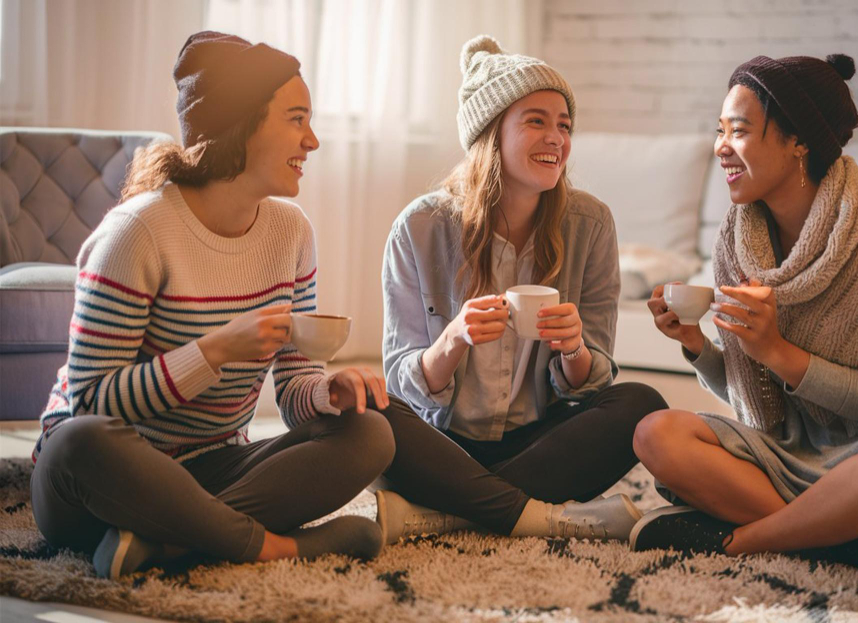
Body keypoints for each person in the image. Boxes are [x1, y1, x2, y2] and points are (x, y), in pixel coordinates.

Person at [30, 31, 396, 580]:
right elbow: (89, 403)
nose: (313, 140)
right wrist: (216, 350)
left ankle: (163, 542)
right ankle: (275, 547)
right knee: (78, 442)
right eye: (296, 119)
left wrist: (327, 392)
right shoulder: (138, 233)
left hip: (212, 468)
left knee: (370, 434)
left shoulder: (291, 233)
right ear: (241, 124)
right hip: (101, 482)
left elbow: (295, 391)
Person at [630, 54, 858, 574]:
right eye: (719, 130)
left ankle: (743, 540)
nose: (720, 147)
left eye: (739, 131)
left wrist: (778, 352)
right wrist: (699, 346)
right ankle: (841, 538)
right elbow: (756, 397)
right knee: (654, 434)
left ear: (799, 143)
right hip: (788, 448)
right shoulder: (738, 237)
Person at [374, 35, 667, 544]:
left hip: (538, 442)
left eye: (564, 125)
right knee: (368, 415)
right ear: (492, 132)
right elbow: (401, 381)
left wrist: (574, 348)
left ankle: (452, 513)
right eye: (536, 120)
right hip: (444, 444)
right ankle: (536, 513)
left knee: (641, 402)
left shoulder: (591, 223)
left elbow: (592, 382)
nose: (557, 138)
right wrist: (453, 340)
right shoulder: (419, 227)